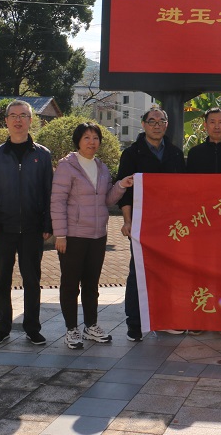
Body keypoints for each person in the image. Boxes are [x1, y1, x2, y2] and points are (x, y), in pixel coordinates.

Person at [50, 123, 134, 348]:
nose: (91, 142)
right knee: (70, 285)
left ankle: (91, 326)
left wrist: (121, 185)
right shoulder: (67, 166)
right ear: (78, 141)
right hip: (73, 236)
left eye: (95, 138)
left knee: (91, 285)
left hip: (98, 236)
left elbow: (107, 200)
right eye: (86, 137)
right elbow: (57, 202)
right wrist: (60, 235)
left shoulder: (102, 167)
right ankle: (71, 330)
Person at [0, 100, 53, 346]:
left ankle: (32, 327)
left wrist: (48, 224)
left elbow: (48, 192)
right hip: (2, 228)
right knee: (1, 281)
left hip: (32, 229)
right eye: (13, 115)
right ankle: (3, 327)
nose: (18, 120)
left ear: (31, 120)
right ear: (6, 121)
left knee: (32, 281)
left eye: (23, 115)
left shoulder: (42, 155)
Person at [116, 106, 186, 341]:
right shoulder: (131, 154)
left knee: (168, 272)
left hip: (170, 225)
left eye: (161, 121)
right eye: (152, 121)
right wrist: (127, 221)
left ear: (167, 125)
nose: (157, 125)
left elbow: (184, 191)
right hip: (142, 223)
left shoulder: (175, 154)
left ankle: (165, 319)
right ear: (143, 124)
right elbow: (125, 191)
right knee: (138, 272)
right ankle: (134, 324)